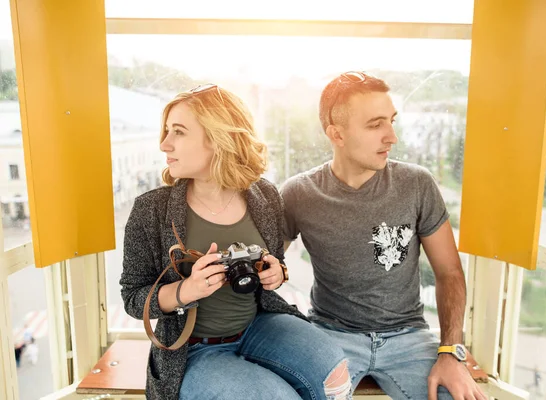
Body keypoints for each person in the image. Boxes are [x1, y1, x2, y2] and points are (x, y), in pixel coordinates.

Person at [120, 84, 351, 400]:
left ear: (217, 139)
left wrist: (275, 273)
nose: (164, 144)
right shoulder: (151, 210)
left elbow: (273, 263)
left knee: (334, 372)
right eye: (167, 132)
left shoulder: (264, 196)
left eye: (178, 132)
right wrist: (186, 290)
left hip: (259, 326)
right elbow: (133, 298)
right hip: (196, 350)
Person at [281, 71, 486, 399]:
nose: (392, 137)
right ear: (337, 134)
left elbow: (449, 274)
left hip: (410, 339)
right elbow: (266, 268)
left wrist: (451, 352)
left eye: (391, 121)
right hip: (331, 337)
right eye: (376, 125)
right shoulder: (298, 193)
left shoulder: (417, 184)